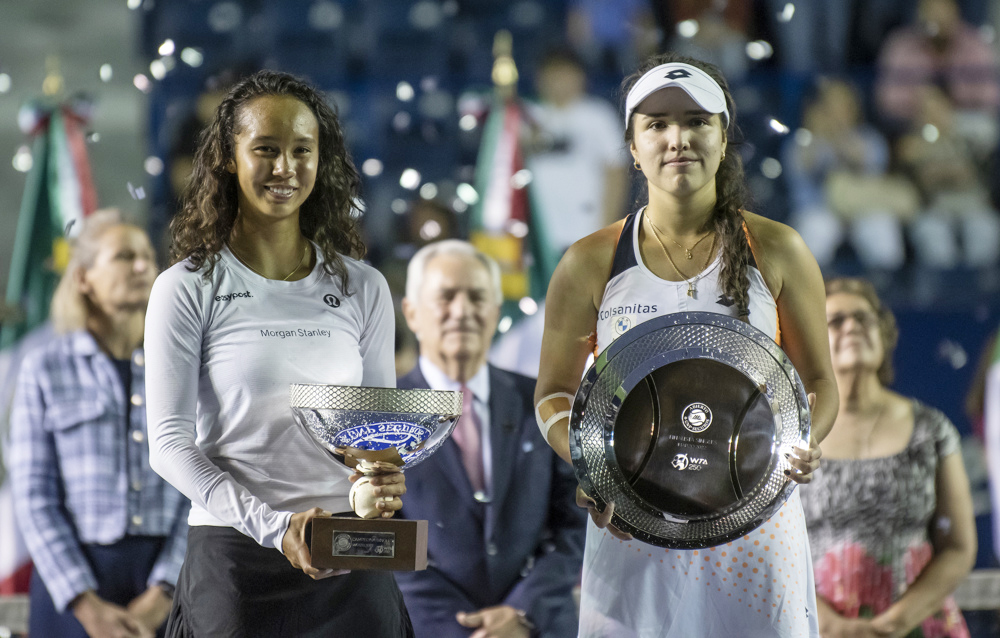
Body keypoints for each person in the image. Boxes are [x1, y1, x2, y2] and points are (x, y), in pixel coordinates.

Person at [533, 52, 838, 637]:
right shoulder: (588, 261)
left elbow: (820, 383)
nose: (679, 138)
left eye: (698, 122)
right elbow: (553, 394)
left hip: (756, 531)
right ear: (632, 146)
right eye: (657, 124)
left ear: (724, 138)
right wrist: (592, 466)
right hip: (633, 525)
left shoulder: (779, 249)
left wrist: (804, 439)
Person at [143, 70, 410, 637]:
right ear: (228, 159)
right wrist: (275, 526)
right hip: (236, 556)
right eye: (265, 149)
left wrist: (380, 479)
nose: (285, 168)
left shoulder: (364, 287)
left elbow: (376, 435)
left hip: (347, 551)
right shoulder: (186, 287)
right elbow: (167, 445)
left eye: (301, 151)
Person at [8, 210, 189, 638]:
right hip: (73, 585)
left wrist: (164, 593)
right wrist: (86, 608)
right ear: (84, 278)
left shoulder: (185, 367)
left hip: (167, 581)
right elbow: (34, 496)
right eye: (125, 256)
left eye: (147, 255)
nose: (144, 266)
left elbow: (198, 488)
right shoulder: (44, 368)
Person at [395, 240, 586, 638]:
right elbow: (381, 542)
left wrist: (520, 612)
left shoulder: (544, 404)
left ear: (496, 311)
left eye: (477, 297)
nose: (462, 312)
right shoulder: (383, 416)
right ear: (411, 313)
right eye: (446, 297)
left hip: (537, 626)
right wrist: (464, 630)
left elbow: (576, 522)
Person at [801, 278, 976, 637]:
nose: (852, 327)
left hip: (919, 625)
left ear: (883, 334)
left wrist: (893, 624)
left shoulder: (932, 428)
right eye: (836, 321)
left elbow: (958, 546)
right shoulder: (793, 431)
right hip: (816, 629)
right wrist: (832, 626)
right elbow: (772, 548)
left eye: (864, 319)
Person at [782, 78, 919, 270]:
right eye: (831, 105)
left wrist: (840, 138)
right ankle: (809, 296)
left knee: (882, 229)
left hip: (861, 208)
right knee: (815, 233)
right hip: (819, 209)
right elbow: (805, 166)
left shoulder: (869, 138)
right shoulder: (802, 140)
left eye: (844, 104)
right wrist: (816, 132)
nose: (838, 111)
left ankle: (886, 290)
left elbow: (871, 168)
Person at [524, 48, 630, 254]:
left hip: (586, 232)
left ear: (581, 77)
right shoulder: (527, 117)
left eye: (566, 75)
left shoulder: (597, 115)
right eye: (552, 75)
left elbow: (616, 173)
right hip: (540, 237)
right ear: (539, 79)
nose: (559, 82)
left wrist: (607, 231)